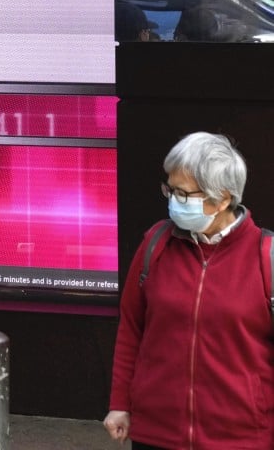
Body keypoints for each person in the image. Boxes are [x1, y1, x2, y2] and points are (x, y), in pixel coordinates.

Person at [104, 132, 274, 449]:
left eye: (183, 194)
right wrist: (120, 403)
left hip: (240, 439)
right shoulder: (156, 244)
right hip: (156, 434)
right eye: (169, 189)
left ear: (222, 198)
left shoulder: (267, 257)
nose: (172, 201)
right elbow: (131, 328)